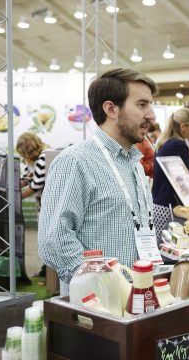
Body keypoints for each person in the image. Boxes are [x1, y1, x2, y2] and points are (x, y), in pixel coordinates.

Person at [38, 68, 157, 292]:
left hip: (138, 295)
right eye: (142, 105)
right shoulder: (75, 161)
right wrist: (101, 287)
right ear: (111, 109)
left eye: (150, 104)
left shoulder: (134, 163)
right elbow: (55, 241)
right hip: (97, 302)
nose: (151, 115)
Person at [152, 107, 189, 208]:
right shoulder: (177, 145)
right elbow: (184, 181)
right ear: (183, 127)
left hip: (160, 203)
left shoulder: (165, 142)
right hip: (170, 206)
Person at [17, 132, 48, 209]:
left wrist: (17, 198)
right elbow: (26, 179)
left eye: (23, 153)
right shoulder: (30, 161)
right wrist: (13, 186)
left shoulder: (43, 158)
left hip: (47, 203)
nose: (22, 156)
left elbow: (36, 185)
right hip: (41, 203)